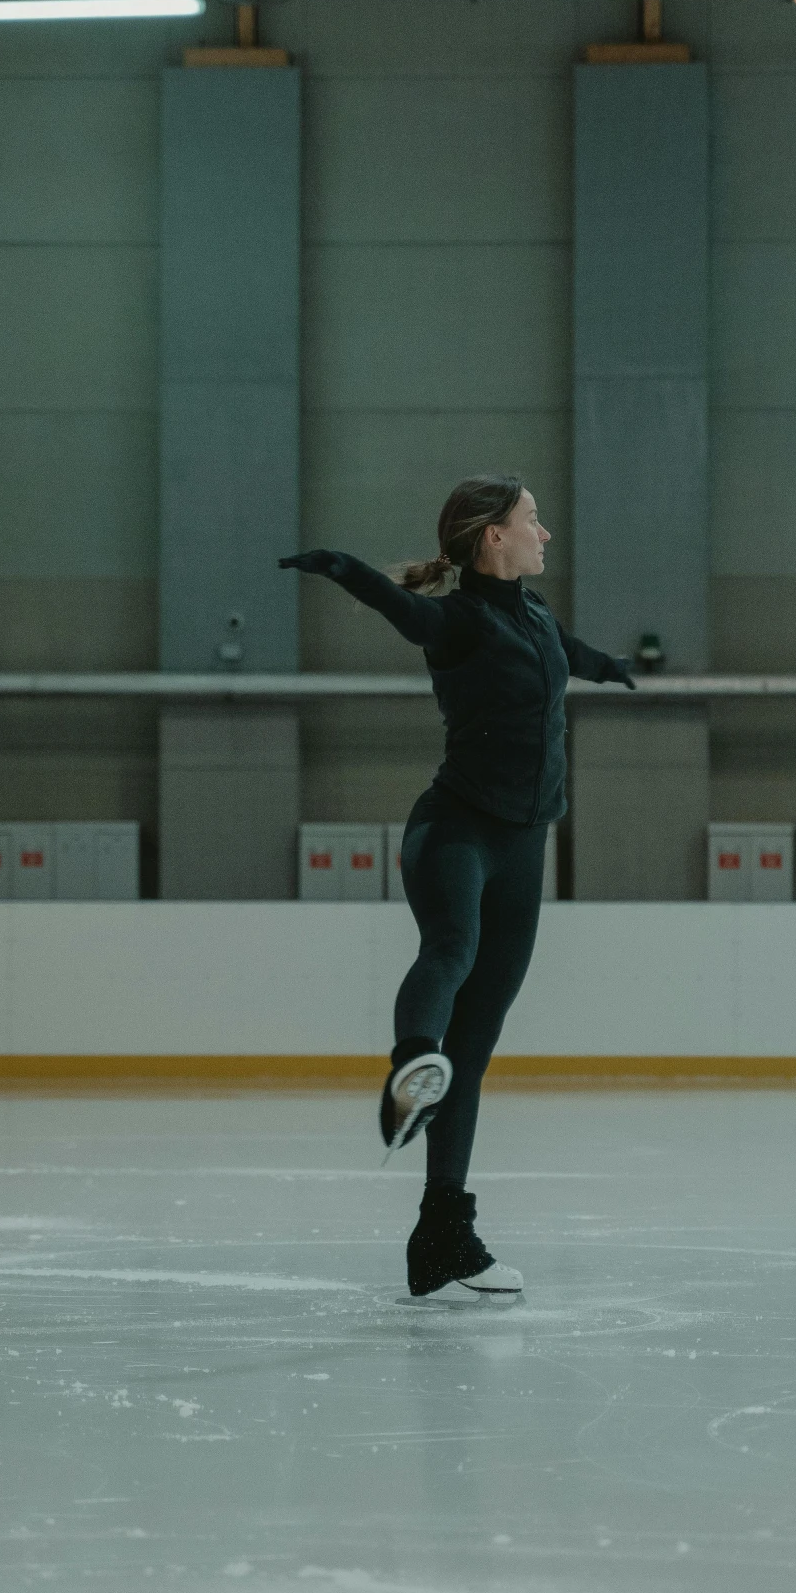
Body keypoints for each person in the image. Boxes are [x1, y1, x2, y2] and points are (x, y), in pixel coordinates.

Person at [280, 475, 634, 1301]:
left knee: (476, 1048)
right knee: (452, 949)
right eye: (531, 521)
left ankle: (442, 1237)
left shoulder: (534, 614)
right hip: (456, 834)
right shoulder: (461, 624)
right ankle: (412, 1068)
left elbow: (565, 653)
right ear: (492, 538)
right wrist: (343, 567)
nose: (545, 534)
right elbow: (410, 616)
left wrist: (608, 666)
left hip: (524, 844)